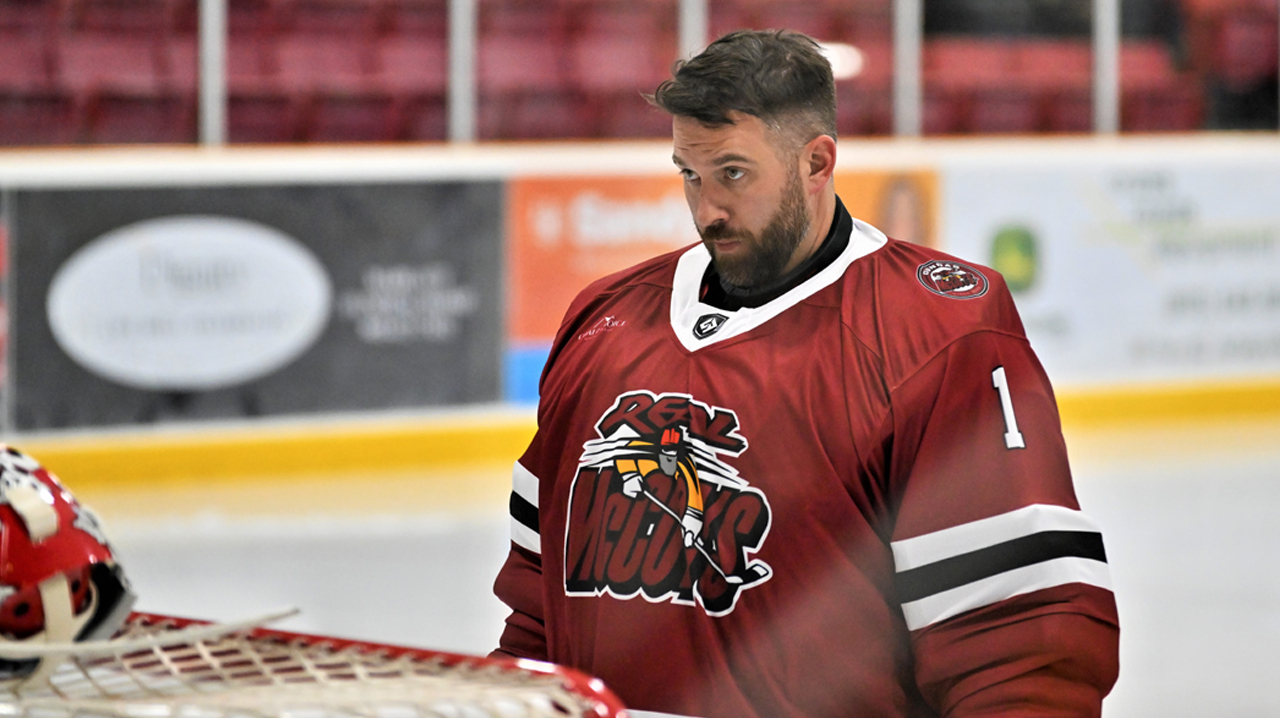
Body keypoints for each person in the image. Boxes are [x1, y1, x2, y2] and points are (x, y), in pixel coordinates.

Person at [492, 29, 1119, 718]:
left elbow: (1016, 645)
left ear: (816, 163)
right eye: (689, 175)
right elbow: (539, 602)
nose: (707, 211)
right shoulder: (604, 320)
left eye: (733, 173)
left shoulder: (940, 336)